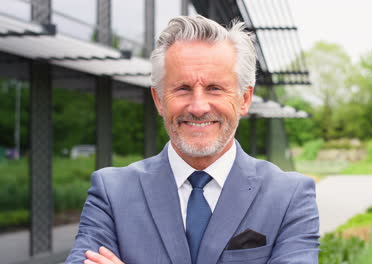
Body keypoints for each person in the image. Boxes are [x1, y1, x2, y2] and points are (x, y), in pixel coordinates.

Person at [65, 15, 319, 264]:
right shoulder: (111, 192)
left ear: (244, 99)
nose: (198, 107)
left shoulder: (289, 197)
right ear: (159, 100)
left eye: (215, 88)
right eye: (183, 88)